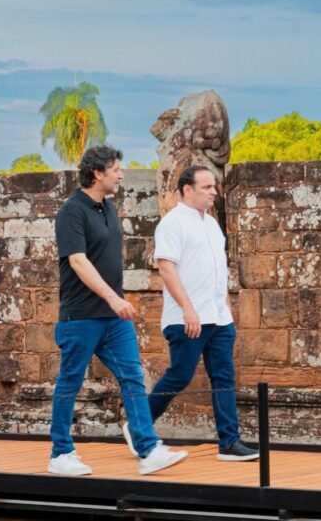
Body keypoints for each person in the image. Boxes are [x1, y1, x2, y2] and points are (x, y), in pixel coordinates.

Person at [48, 145, 188, 476]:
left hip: (113, 319)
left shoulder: (108, 209)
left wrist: (114, 303)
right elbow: (78, 261)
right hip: (81, 316)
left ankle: (147, 449)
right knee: (70, 382)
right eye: (116, 170)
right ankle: (60, 453)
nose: (121, 175)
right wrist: (113, 298)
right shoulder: (71, 212)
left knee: (132, 376)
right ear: (98, 173)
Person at [127, 165, 258, 461]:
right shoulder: (172, 224)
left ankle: (229, 443)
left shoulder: (211, 224)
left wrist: (225, 306)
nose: (214, 192)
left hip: (219, 317)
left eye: (214, 186)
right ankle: (139, 426)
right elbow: (166, 267)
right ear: (188, 190)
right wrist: (188, 309)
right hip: (187, 318)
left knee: (224, 378)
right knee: (180, 375)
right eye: (207, 187)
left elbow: (216, 269)